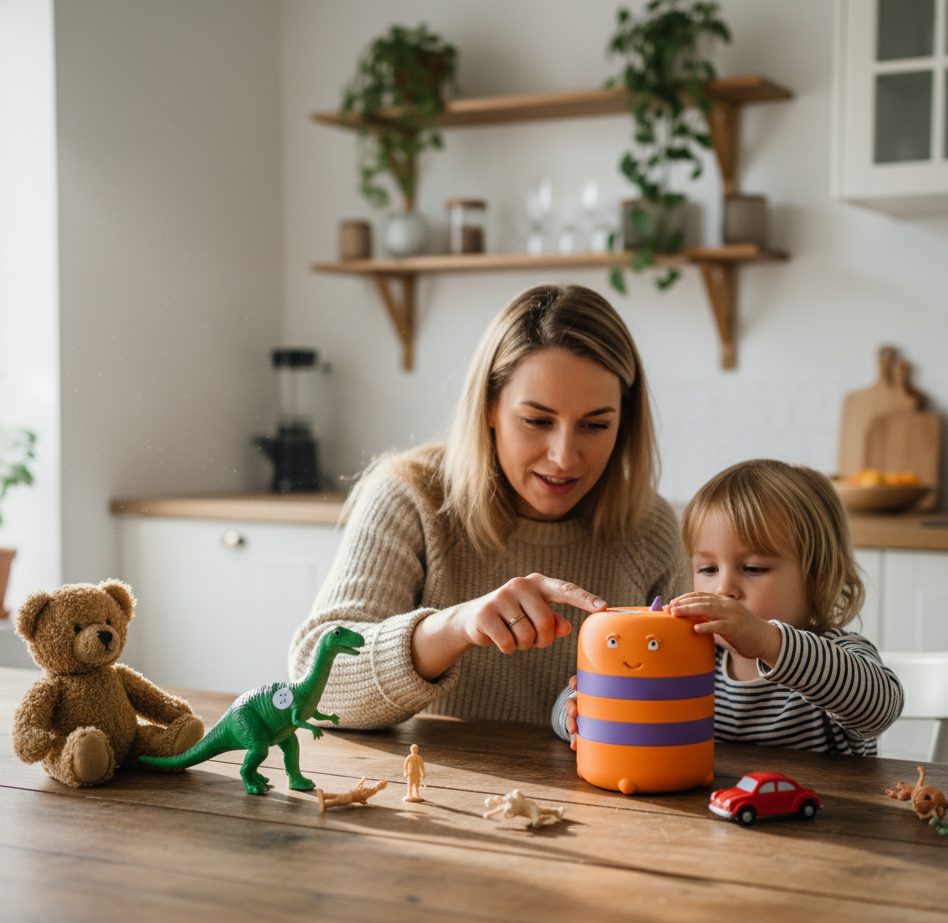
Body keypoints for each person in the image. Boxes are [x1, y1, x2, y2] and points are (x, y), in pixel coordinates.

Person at [288, 284, 688, 729]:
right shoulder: (410, 496)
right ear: (489, 408)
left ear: (624, 423)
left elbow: (689, 694)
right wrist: (456, 627)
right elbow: (317, 686)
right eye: (537, 421)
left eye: (595, 425)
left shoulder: (649, 525)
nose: (564, 456)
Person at [557, 458, 904, 755]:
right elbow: (591, 696)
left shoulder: (837, 654)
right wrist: (575, 713)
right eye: (707, 569)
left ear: (817, 577)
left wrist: (770, 643)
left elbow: (880, 709)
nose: (723, 588)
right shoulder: (689, 657)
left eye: (753, 568)